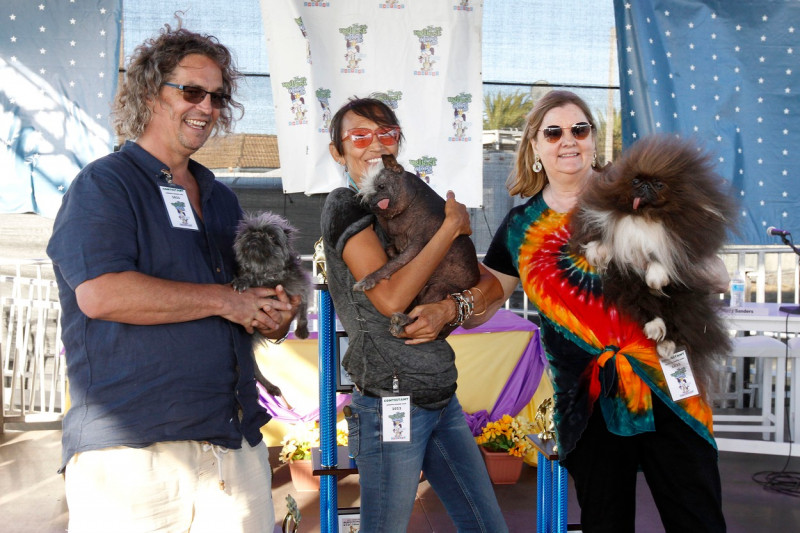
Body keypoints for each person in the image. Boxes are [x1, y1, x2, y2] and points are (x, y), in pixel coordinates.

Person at [47, 23, 298, 532]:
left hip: (234, 443)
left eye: (217, 96)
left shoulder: (221, 198)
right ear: (148, 93)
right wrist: (228, 301)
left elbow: (250, 302)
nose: (206, 107)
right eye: (191, 91)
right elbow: (100, 293)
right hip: (133, 453)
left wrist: (273, 315)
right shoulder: (106, 184)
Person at [473, 90, 728, 532]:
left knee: (698, 519)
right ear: (535, 146)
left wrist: (670, 248)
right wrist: (440, 268)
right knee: (605, 520)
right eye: (553, 132)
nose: (567, 140)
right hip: (588, 398)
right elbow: (484, 300)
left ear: (594, 139)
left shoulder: (640, 193)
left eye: (579, 129)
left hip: (670, 378)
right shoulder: (519, 227)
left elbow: (715, 271)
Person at [321, 96, 508, 532]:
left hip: (441, 396)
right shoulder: (345, 205)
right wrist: (448, 228)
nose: (375, 146)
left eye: (386, 135)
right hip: (391, 403)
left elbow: (491, 292)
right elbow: (389, 299)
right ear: (338, 151)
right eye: (360, 136)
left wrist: (453, 306)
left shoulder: (411, 198)